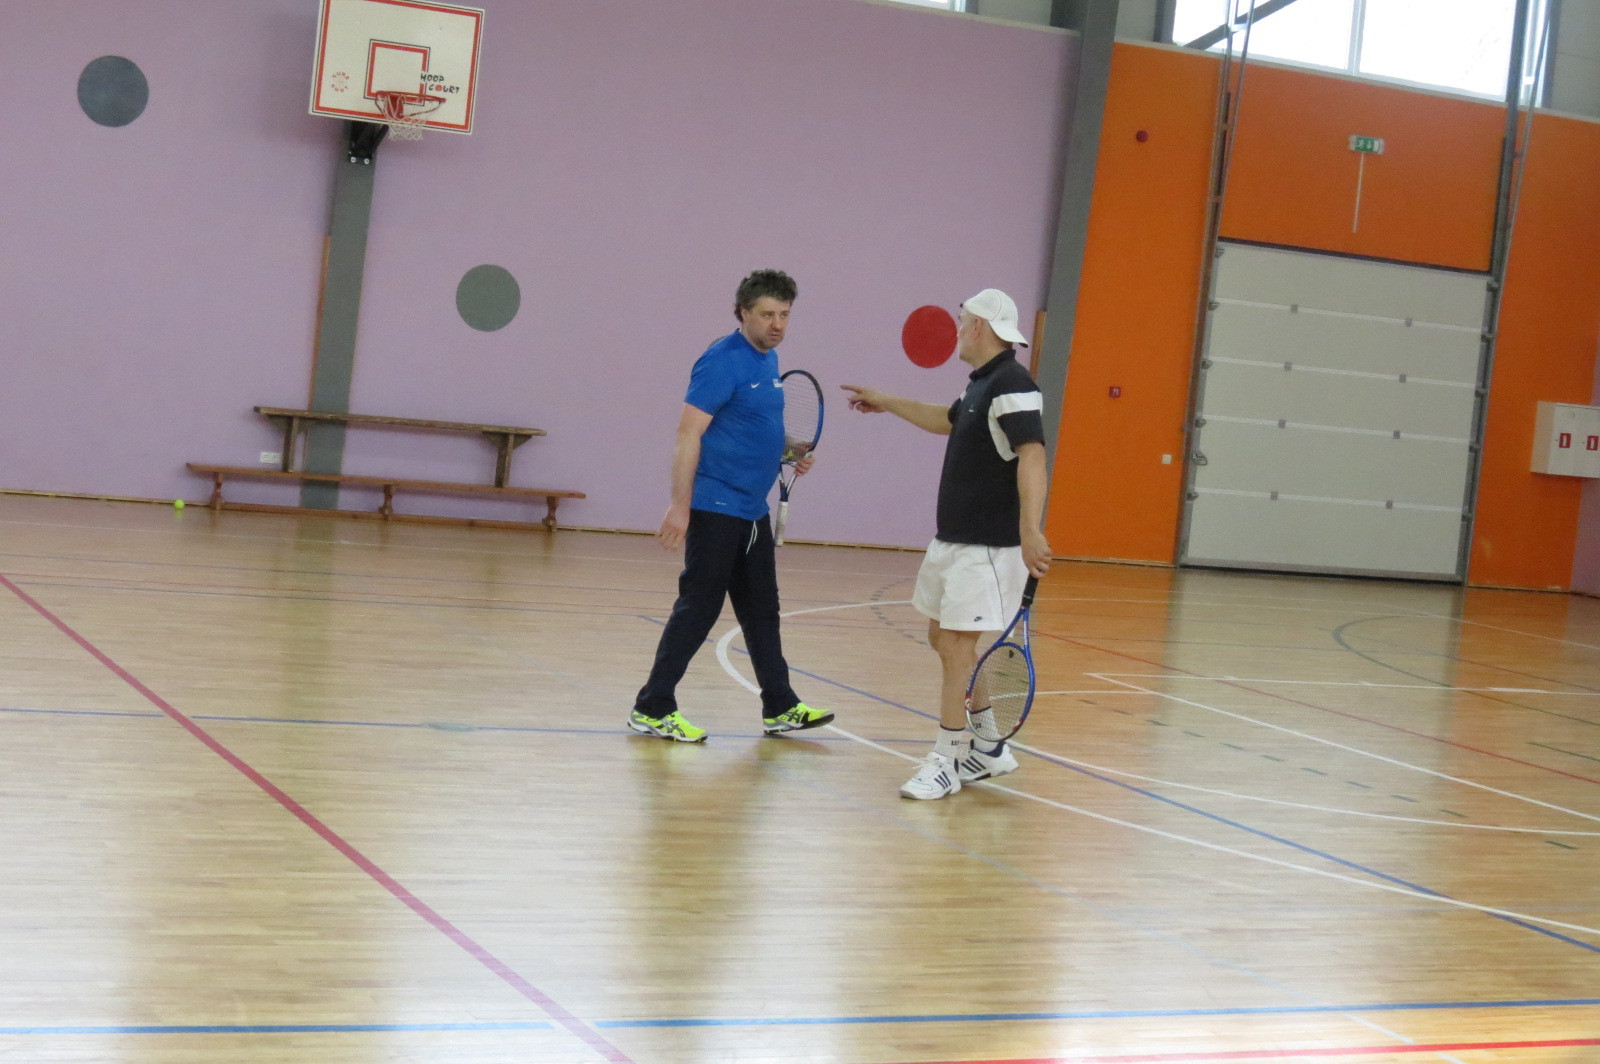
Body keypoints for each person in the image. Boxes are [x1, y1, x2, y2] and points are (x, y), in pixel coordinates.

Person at [841, 288, 1050, 799]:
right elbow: (947, 420)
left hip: (988, 547)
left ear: (979, 326)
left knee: (957, 646)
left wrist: (1030, 530)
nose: (957, 331)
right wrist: (887, 401)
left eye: (961, 321)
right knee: (944, 639)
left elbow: (1033, 455)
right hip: (954, 540)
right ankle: (989, 746)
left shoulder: (1014, 384)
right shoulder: (981, 383)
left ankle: (947, 758)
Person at [628, 269, 835, 743]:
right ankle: (652, 707)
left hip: (751, 510)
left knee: (762, 609)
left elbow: (751, 425)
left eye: (784, 314)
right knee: (699, 607)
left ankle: (780, 705)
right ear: (743, 312)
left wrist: (790, 451)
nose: (777, 324)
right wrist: (679, 506)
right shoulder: (721, 362)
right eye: (767, 314)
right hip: (715, 504)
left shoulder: (769, 358)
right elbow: (688, 434)